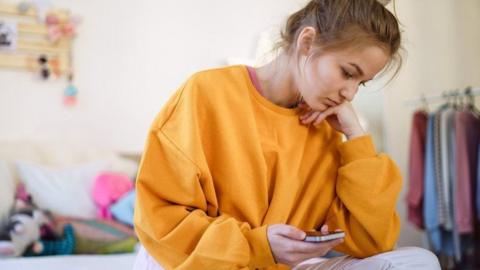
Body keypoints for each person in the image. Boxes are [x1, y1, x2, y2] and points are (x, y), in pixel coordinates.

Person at [133, 0, 441, 269]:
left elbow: (371, 242)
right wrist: (258, 245)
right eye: (348, 72)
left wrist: (355, 137)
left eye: (360, 83)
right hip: (196, 264)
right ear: (307, 42)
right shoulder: (206, 94)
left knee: (417, 262)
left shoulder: (327, 129)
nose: (349, 93)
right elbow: (162, 221)